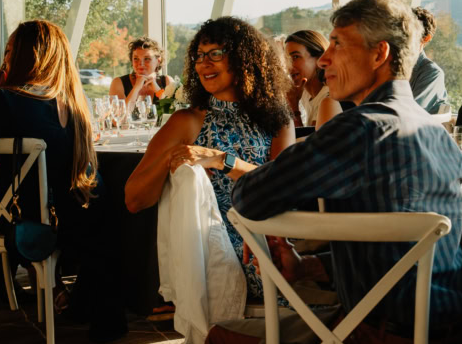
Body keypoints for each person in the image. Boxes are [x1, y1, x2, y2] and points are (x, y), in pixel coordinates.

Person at [197, 0, 462, 344]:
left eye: (338, 45)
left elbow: (250, 198)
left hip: (377, 343)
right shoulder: (436, 132)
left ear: (380, 54)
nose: (324, 59)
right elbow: (400, 246)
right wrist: (309, 266)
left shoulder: (360, 127)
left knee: (222, 341)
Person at [0, 19, 125, 341]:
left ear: (26, 56)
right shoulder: (73, 103)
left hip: (30, 222)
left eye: (10, 51)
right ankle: (81, 301)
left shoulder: (7, 101)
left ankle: (16, 291)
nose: (6, 58)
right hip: (84, 222)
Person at [124, 17, 295, 299]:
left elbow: (282, 188)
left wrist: (220, 159)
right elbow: (134, 199)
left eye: (216, 54)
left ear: (243, 59)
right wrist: (171, 159)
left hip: (265, 240)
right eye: (199, 56)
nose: (204, 63)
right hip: (210, 252)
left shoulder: (277, 120)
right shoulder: (186, 121)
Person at [284, 29, 341, 129]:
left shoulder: (328, 98)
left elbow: (304, 140)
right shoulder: (305, 92)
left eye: (296, 57)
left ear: (319, 58)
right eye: (286, 59)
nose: (289, 66)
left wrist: (293, 107)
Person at [109, 36, 170, 116]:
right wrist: (136, 88)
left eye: (147, 59)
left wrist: (158, 91)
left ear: (158, 60)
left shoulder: (167, 81)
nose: (140, 64)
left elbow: (173, 116)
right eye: (136, 59)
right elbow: (118, 118)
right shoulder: (118, 83)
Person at [409, 6, 449, 114]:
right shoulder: (388, 67)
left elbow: (407, 114)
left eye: (409, 33)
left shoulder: (432, 73)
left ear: (426, 38)